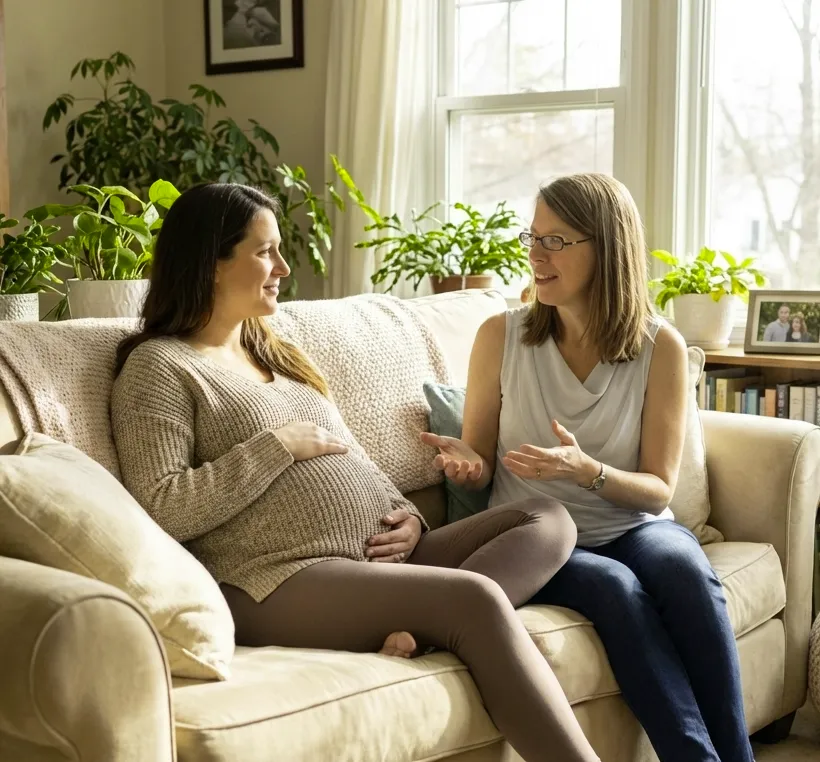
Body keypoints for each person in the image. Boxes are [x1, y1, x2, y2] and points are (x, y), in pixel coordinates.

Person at [109, 182, 601, 762]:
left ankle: (419, 635)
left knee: (548, 517)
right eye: (265, 252)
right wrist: (276, 447)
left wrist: (412, 519)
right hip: (276, 579)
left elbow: (353, 456)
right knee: (475, 600)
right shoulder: (159, 367)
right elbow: (164, 505)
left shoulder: (276, 351)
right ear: (210, 265)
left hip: (379, 559)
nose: (284, 267)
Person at [421, 174, 754, 762]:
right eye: (534, 237)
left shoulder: (661, 347)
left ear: (605, 248)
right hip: (542, 539)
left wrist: (587, 471)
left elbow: (657, 492)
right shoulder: (500, 336)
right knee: (616, 589)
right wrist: (467, 466)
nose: (535, 254)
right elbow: (479, 455)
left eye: (556, 240)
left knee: (686, 572)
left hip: (633, 524)